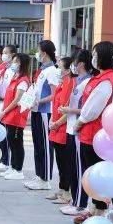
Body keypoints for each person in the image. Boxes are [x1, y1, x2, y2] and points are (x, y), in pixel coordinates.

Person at [72, 41, 113, 224]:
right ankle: (95, 208)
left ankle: (101, 211)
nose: (93, 58)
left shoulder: (107, 79)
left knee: (97, 174)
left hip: (96, 134)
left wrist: (79, 122)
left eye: (95, 54)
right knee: (91, 174)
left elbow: (93, 108)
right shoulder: (100, 77)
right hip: (90, 133)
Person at [58, 50, 93, 216]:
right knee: (72, 166)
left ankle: (80, 203)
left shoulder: (88, 82)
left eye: (75, 62)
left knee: (79, 168)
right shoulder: (77, 81)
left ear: (81, 64)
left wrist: (70, 110)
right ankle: (75, 199)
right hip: (71, 126)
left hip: (79, 129)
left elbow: (86, 110)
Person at [26, 40, 60, 191]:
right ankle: (39, 175)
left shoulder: (52, 71)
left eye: (38, 50)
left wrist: (38, 101)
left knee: (45, 145)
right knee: (38, 145)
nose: (37, 53)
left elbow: (54, 95)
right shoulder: (42, 70)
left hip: (45, 112)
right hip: (36, 110)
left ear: (44, 53)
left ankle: (45, 178)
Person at [0, 52, 32, 181]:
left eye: (16, 61)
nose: (14, 64)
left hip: (16, 116)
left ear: (22, 64)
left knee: (17, 143)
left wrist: (4, 111)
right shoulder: (15, 78)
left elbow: (17, 100)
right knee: (12, 142)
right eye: (13, 61)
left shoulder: (23, 81)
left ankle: (18, 169)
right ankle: (13, 167)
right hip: (10, 116)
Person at [46, 56, 75, 206]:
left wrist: (57, 123)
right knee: (60, 161)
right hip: (56, 126)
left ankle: (67, 192)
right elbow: (56, 104)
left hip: (63, 128)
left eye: (60, 67)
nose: (58, 70)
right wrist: (53, 121)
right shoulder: (62, 83)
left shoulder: (71, 84)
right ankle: (61, 189)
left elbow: (68, 108)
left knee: (65, 163)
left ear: (68, 69)